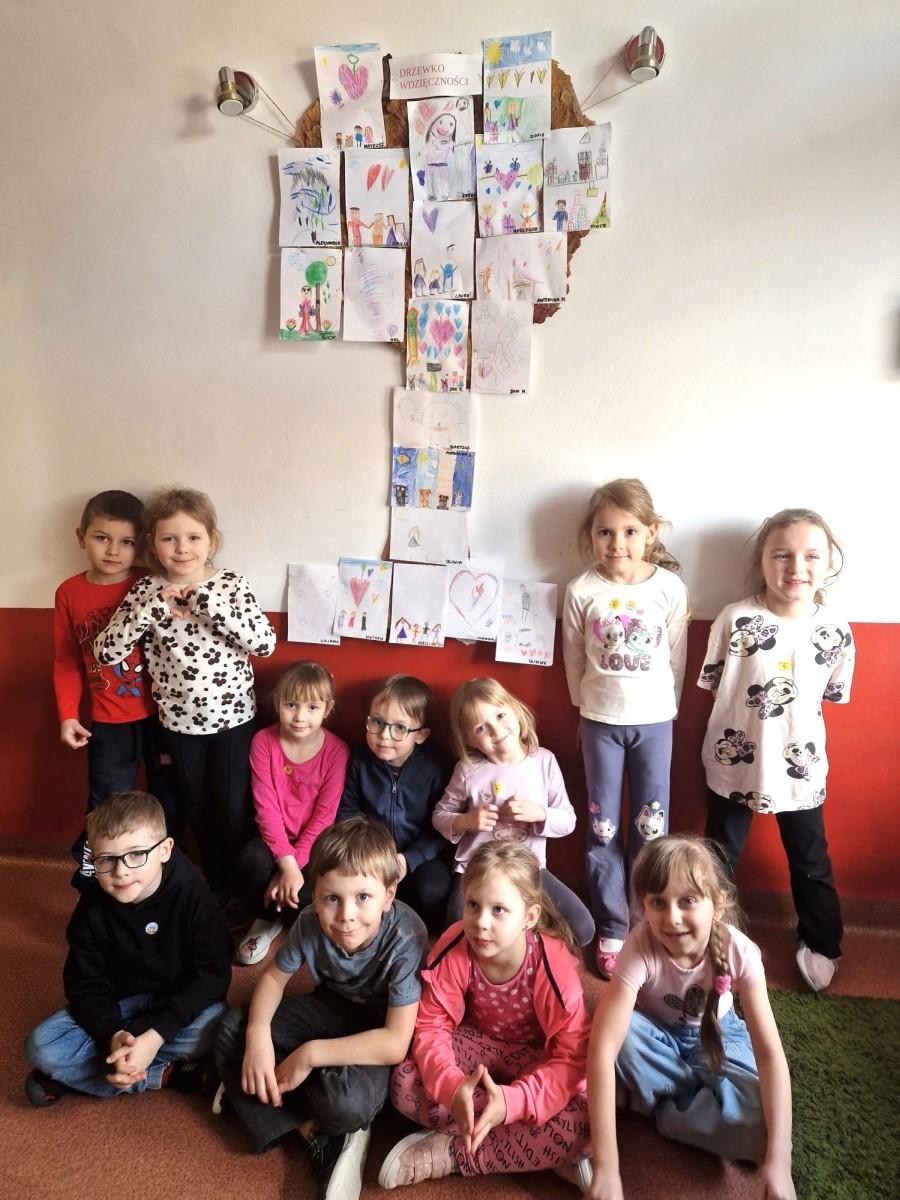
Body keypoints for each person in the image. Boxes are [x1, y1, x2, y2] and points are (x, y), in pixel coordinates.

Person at [213, 817, 427, 1200]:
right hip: (330, 1008)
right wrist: (258, 1034)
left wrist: (309, 1055)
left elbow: (395, 1043)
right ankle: (310, 1128)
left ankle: (265, 1094)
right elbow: (273, 979)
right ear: (315, 894)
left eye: (363, 898)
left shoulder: (407, 935)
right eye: (332, 898)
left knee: (346, 1103)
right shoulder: (310, 921)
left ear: (389, 895)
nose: (345, 915)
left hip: (378, 1030)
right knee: (232, 1028)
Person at [586, 836, 795, 1200]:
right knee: (619, 1038)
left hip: (719, 1035)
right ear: (644, 906)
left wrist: (780, 1165)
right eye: (658, 902)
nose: (672, 918)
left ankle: (661, 1106)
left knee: (764, 1125)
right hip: (654, 1034)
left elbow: (769, 1054)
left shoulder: (740, 951)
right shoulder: (638, 946)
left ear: (717, 904)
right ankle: (688, 1101)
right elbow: (602, 1050)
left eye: (688, 901)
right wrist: (606, 1169)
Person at [700, 508, 854, 994]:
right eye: (782, 555)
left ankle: (822, 941)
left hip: (800, 768)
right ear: (762, 560)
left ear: (829, 562)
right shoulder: (734, 619)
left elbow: (832, 694)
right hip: (734, 763)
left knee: (810, 857)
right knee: (718, 855)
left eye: (811, 556)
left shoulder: (836, 630)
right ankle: (706, 937)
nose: (796, 567)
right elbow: (715, 684)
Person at [95, 486, 276, 899]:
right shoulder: (145, 591)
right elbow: (106, 652)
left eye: (193, 537)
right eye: (169, 538)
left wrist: (211, 604)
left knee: (232, 810)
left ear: (212, 541)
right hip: (178, 726)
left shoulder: (230, 584)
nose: (182, 548)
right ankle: (213, 891)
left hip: (233, 721)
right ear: (153, 544)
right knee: (196, 810)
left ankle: (240, 892)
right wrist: (147, 611)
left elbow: (265, 644)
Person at [379, 842, 592, 1192]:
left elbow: (571, 1060)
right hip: (475, 1049)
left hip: (536, 1060)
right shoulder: (455, 944)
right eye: (473, 905)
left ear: (529, 917)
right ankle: (529, 1148)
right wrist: (452, 1088)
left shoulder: (553, 966)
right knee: (403, 1082)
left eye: (499, 910)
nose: (480, 923)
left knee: (586, 1122)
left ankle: (453, 1153)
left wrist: (513, 1102)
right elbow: (431, 1027)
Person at [24, 791, 231, 1105]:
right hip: (120, 1004)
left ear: (164, 850)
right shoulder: (90, 909)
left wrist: (156, 1035)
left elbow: (214, 973)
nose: (120, 871)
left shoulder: (192, 893)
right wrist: (114, 1035)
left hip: (175, 999)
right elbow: (85, 984)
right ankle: (164, 1073)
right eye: (106, 859)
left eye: (136, 855)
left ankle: (93, 1071)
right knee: (41, 1046)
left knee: (219, 1024)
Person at [562, 479, 690, 977]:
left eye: (630, 531)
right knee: (604, 828)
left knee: (651, 825)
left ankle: (646, 917)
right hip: (600, 722)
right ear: (591, 536)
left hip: (655, 722)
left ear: (651, 533)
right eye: (605, 532)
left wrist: (669, 709)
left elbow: (676, 655)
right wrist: (583, 708)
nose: (617, 543)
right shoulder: (582, 590)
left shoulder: (668, 588)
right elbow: (574, 657)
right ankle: (613, 924)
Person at [53, 489, 174, 883]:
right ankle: (94, 870)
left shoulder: (150, 584)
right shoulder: (69, 592)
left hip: (162, 717)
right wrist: (68, 714)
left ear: (143, 545)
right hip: (108, 720)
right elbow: (66, 660)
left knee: (168, 796)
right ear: (81, 536)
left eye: (127, 542)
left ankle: (164, 873)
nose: (113, 551)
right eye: (102, 538)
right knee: (107, 800)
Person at [433, 678, 595, 947]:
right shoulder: (468, 770)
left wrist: (540, 813)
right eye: (481, 727)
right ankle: (508, 932)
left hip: (528, 870)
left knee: (583, 929)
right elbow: (440, 815)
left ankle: (519, 936)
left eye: (500, 715)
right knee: (456, 936)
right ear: (469, 740)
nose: (496, 730)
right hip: (476, 870)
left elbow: (568, 820)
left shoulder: (543, 761)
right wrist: (466, 821)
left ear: (516, 710)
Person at [233, 661, 349, 967]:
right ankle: (265, 919)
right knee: (251, 859)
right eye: (291, 705)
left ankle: (285, 916)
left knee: (311, 898)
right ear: (277, 702)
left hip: (313, 849)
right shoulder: (263, 742)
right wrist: (286, 864)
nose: (300, 716)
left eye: (312, 707)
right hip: (272, 843)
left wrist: (292, 868)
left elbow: (324, 817)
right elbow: (266, 808)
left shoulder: (337, 751)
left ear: (327, 709)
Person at [338, 674, 451, 931]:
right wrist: (365, 852)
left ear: (420, 735)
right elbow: (347, 811)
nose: (384, 735)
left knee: (432, 889)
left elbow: (440, 827)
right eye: (377, 722)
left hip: (416, 857)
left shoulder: (434, 767)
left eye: (400, 727)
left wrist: (409, 859)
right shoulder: (360, 758)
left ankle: (408, 931)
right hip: (368, 852)